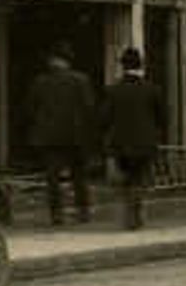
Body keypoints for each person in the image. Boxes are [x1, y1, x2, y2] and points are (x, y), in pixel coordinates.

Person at [20, 48, 98, 226]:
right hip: (75, 137)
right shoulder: (81, 80)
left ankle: (57, 215)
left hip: (49, 138)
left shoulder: (40, 82)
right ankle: (83, 211)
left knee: (52, 178)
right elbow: (89, 108)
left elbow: (29, 109)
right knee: (79, 176)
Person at [99, 47, 166, 231]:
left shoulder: (113, 90)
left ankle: (131, 214)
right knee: (139, 178)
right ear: (141, 65)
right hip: (145, 144)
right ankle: (136, 214)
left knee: (128, 179)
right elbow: (162, 118)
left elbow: (104, 118)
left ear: (123, 66)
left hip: (121, 145)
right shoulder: (152, 90)